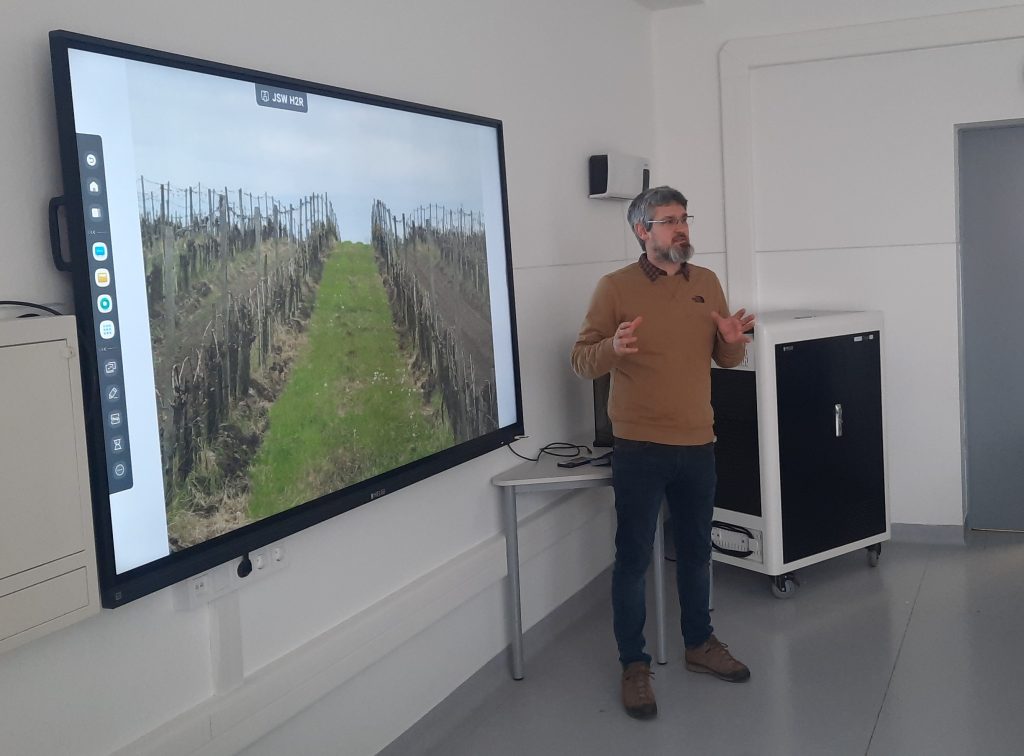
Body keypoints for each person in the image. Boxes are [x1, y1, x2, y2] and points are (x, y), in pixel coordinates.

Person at [570, 185, 755, 720]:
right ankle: (634, 665)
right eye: (669, 220)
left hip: (698, 443)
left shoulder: (707, 282)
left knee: (696, 553)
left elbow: (727, 360)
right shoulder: (615, 288)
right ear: (641, 230)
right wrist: (612, 348)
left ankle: (700, 644)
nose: (681, 228)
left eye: (684, 218)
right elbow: (582, 360)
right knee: (633, 560)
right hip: (640, 447)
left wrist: (731, 339)